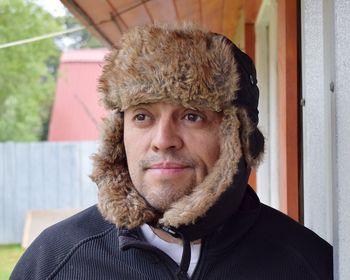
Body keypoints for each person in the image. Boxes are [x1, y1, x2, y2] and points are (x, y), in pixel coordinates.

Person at [11, 23, 332, 280]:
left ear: (238, 136)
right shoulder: (54, 262)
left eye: (192, 115)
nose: (162, 140)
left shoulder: (310, 265)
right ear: (118, 135)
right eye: (142, 116)